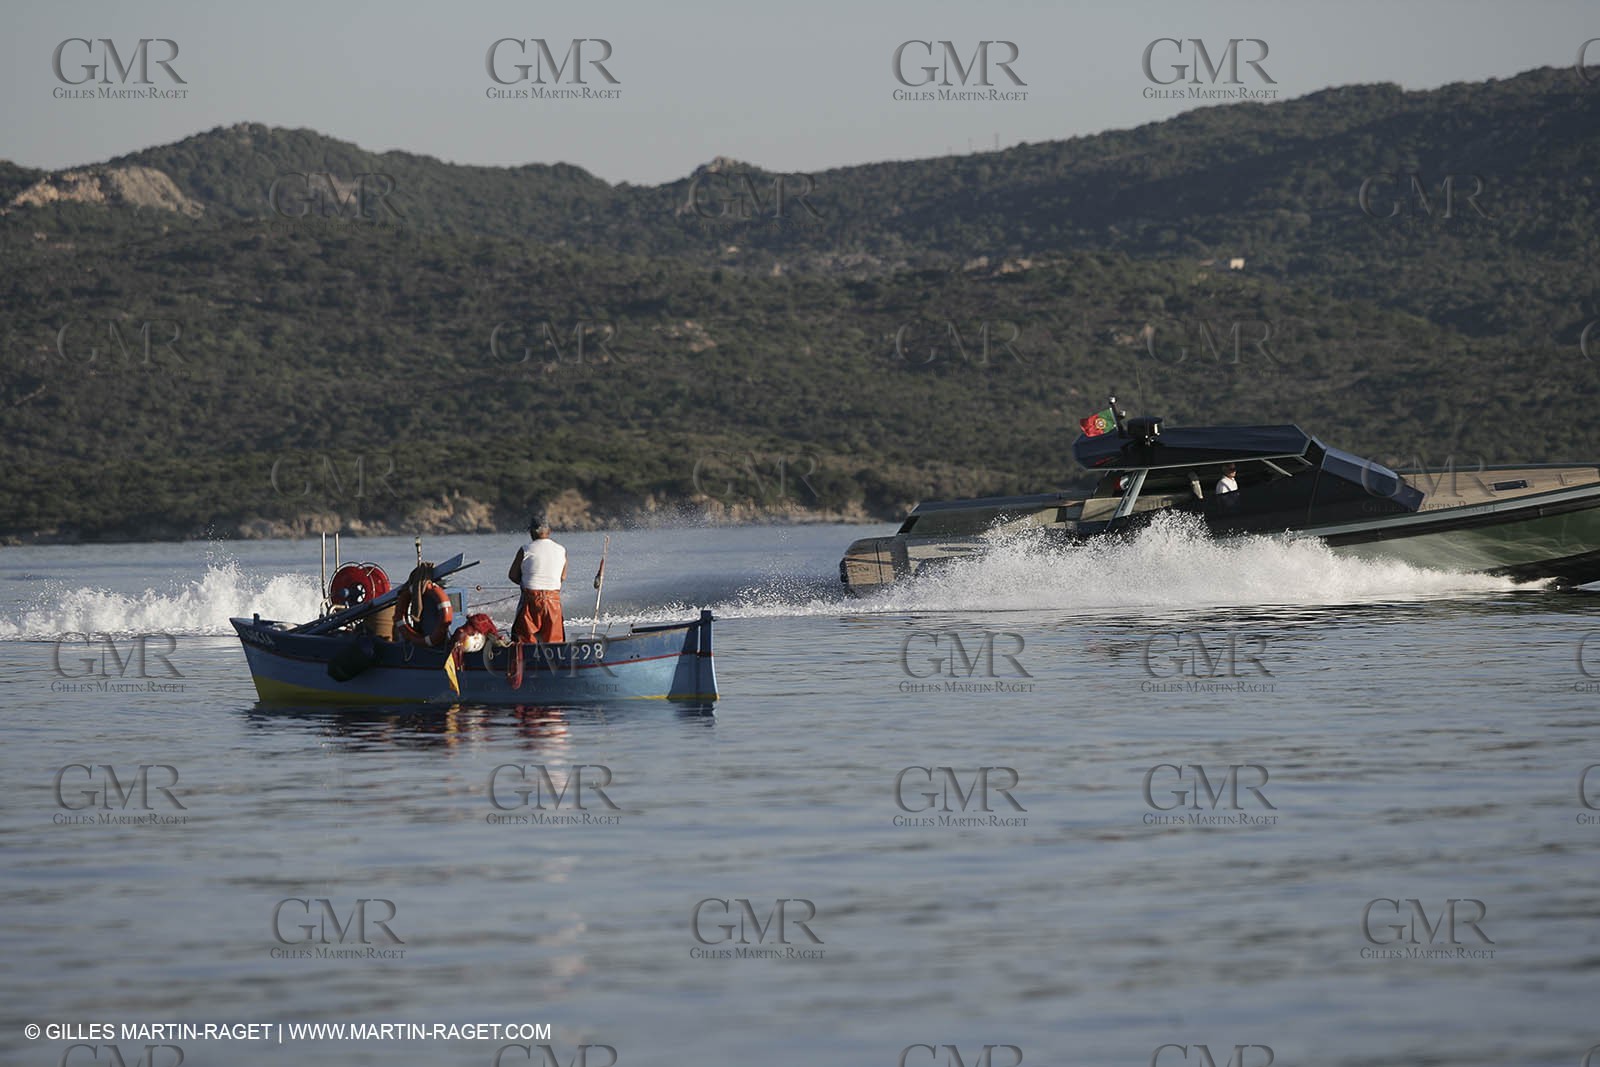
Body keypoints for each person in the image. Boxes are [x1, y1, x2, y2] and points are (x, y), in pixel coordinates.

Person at [509, 517, 567, 643]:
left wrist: (525, 582)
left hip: (531, 601)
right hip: (553, 602)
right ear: (549, 531)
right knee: (554, 643)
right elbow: (562, 577)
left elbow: (512, 575)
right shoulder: (561, 550)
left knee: (524, 642)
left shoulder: (525, 549)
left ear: (531, 532)